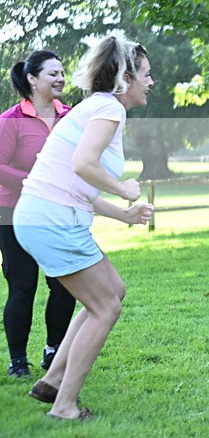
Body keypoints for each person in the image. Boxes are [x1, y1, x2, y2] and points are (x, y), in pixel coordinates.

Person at [13, 35, 155, 420]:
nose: (151, 82)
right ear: (126, 78)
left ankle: (52, 380)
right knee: (105, 306)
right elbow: (83, 164)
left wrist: (122, 214)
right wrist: (124, 189)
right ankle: (64, 406)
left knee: (112, 292)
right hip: (51, 220)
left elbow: (77, 182)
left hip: (46, 215)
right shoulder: (109, 110)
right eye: (146, 74)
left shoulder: (97, 107)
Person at [0, 50, 76, 378]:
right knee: (22, 284)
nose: (60, 79)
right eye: (52, 74)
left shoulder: (72, 117)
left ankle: (54, 349)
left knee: (65, 282)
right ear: (32, 79)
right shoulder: (10, 120)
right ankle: (18, 359)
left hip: (58, 211)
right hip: (13, 212)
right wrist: (32, 182)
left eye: (62, 73)